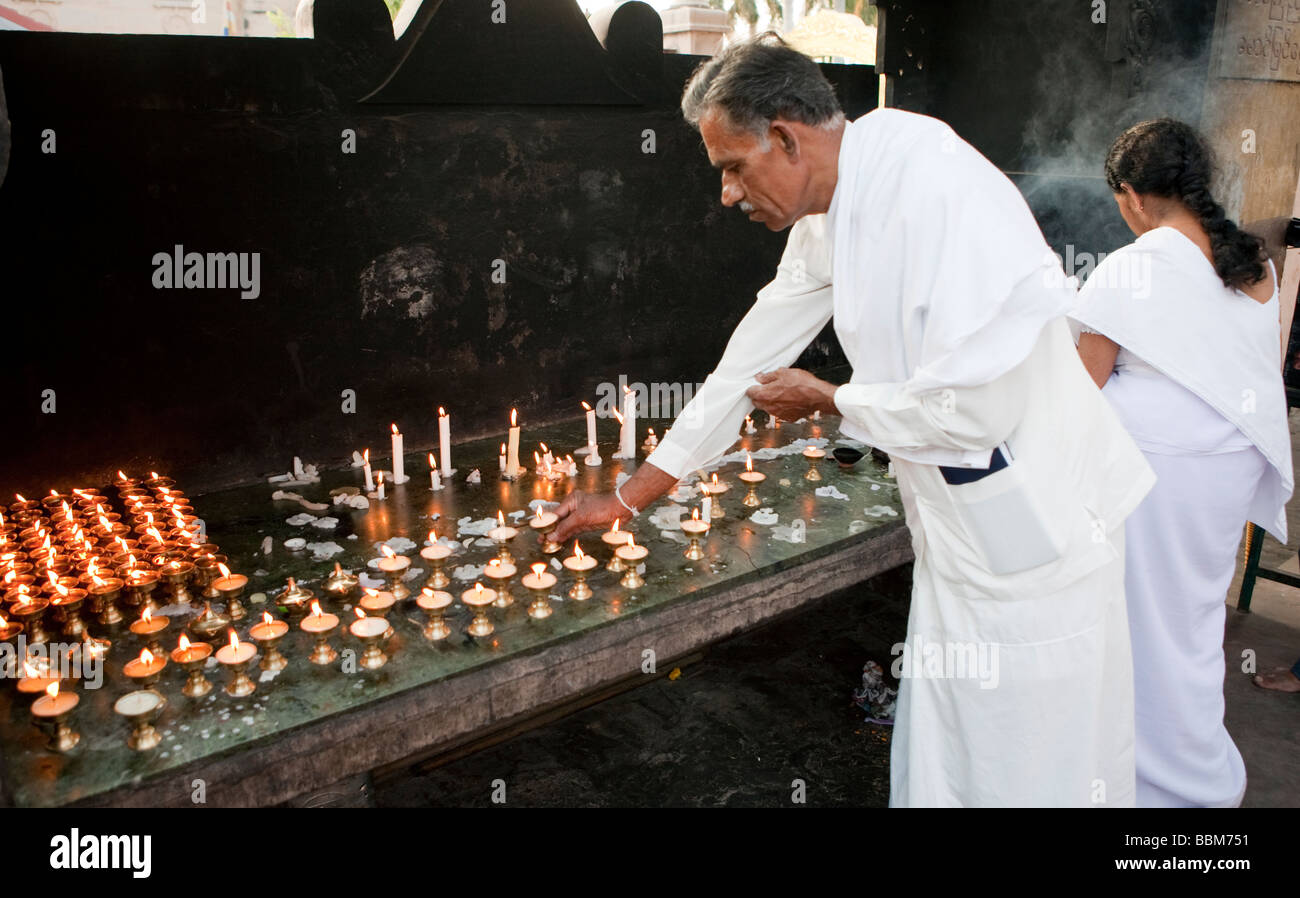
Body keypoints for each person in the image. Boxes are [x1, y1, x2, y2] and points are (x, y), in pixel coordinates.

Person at [552, 34, 1155, 807]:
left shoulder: (933, 184)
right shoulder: (831, 212)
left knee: (1030, 760)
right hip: (964, 537)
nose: (727, 194)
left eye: (733, 167)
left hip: (1042, 534)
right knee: (954, 752)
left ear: (786, 138)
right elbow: (748, 363)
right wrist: (632, 493)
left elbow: (974, 409)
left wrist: (831, 399)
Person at [1070, 118, 1293, 807]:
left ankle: (1149, 787)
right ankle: (1198, 776)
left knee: (1137, 630)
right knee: (1192, 624)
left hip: (1152, 480)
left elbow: (1081, 388)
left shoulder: (1133, 266)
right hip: (1222, 475)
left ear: (1132, 197)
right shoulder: (1255, 266)